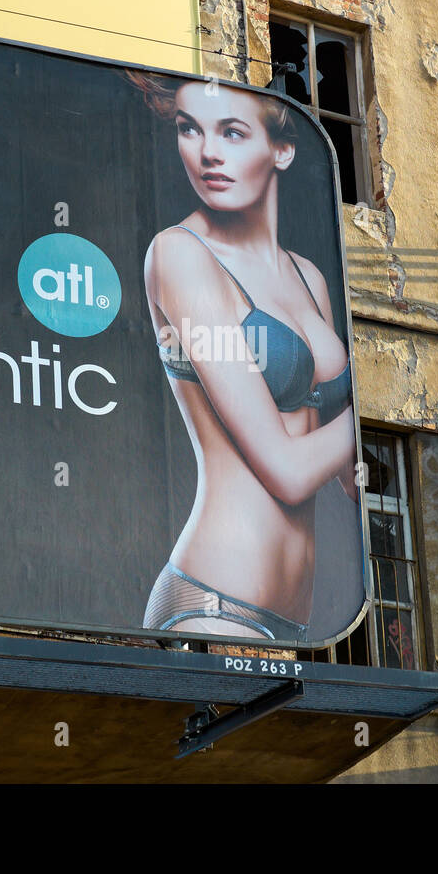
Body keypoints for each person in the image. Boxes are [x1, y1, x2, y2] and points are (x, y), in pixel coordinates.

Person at [130, 72, 358, 641]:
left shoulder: (309, 277)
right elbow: (286, 472)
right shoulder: (180, 256)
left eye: (232, 133)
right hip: (213, 601)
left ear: (281, 149)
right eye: (189, 129)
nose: (207, 153)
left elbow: (343, 476)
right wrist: (370, 418)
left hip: (297, 622)